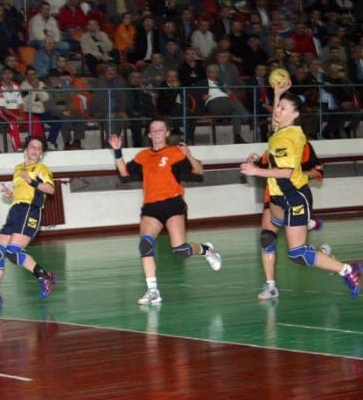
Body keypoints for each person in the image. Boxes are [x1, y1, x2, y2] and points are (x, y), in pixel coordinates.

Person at [240, 82, 362, 299]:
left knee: (297, 253)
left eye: (283, 108)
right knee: (269, 235)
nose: (277, 111)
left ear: (295, 114)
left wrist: (255, 170)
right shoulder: (283, 131)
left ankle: (347, 269)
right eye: (278, 107)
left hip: (294, 196)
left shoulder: (287, 138)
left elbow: (286, 172)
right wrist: (277, 94)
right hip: (279, 196)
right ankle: (309, 227)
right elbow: (275, 122)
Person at [109, 120, 222, 305]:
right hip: (151, 207)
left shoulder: (175, 152)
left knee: (181, 251)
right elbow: (124, 173)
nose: (156, 132)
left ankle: (207, 250)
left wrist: (189, 154)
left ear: (167, 133)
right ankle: (152, 291)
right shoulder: (143, 156)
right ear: (149, 134)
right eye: (153, 130)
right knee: (145, 245)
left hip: (173, 204)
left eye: (160, 129)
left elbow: (199, 171)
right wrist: (117, 150)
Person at [0, 136, 57, 307]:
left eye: (39, 148)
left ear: (41, 154)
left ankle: (44, 276)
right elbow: (21, 192)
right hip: (15, 210)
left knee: (13, 251)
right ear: (26, 149)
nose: (35, 150)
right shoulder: (18, 169)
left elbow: (50, 190)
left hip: (30, 211)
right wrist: (10, 194)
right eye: (32, 146)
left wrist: (32, 182)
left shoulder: (41, 168)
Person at [255, 141, 325, 300]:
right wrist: (255, 161)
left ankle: (321, 253)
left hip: (294, 199)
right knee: (267, 238)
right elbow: (263, 165)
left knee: (298, 253)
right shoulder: (273, 144)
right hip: (273, 197)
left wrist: (294, 175)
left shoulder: (302, 145)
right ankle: (271, 287)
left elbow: (317, 172)